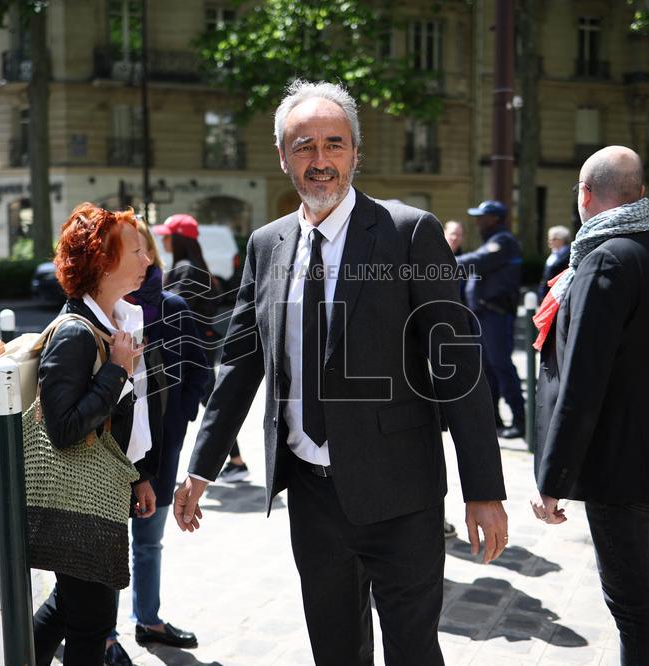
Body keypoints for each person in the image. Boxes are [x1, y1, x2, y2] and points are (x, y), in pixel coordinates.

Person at [173, 80, 508, 666]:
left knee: (412, 652)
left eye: (335, 144)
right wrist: (202, 466)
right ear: (283, 157)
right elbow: (240, 359)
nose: (321, 161)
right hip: (311, 496)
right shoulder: (266, 244)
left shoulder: (409, 233)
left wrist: (484, 490)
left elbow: (459, 367)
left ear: (356, 152)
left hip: (401, 495)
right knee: (335, 651)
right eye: (305, 147)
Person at [530, 146, 649, 665]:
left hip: (616, 458)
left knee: (631, 595)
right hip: (648, 449)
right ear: (640, 195)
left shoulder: (605, 259)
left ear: (584, 194)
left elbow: (583, 380)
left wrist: (553, 478)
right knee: (639, 588)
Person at [32, 202, 164, 666]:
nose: (147, 259)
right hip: (76, 502)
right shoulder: (76, 333)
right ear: (103, 260)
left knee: (68, 608)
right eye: (136, 250)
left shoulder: (117, 322)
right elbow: (64, 429)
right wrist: (116, 371)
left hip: (99, 495)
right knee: (90, 622)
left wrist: (139, 475)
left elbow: (128, 419)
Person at [103, 221, 210, 665]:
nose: (143, 259)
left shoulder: (174, 307)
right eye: (134, 250)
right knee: (102, 546)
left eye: (145, 249)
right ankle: (102, 635)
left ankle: (148, 620)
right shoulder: (102, 309)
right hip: (106, 453)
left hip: (160, 451)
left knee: (148, 542)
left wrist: (178, 421)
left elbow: (199, 373)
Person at [153, 214, 248, 483]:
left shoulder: (187, 269)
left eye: (167, 235)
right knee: (212, 407)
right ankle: (236, 461)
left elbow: (173, 309)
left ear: (179, 238)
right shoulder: (196, 267)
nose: (163, 240)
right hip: (197, 349)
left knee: (208, 408)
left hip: (191, 353)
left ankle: (234, 462)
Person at [456, 200, 526, 438]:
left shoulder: (502, 241)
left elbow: (476, 261)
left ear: (495, 218)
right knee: (487, 370)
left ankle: (519, 420)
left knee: (501, 367)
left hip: (495, 315)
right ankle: (493, 419)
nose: (477, 222)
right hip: (483, 316)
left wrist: (444, 263)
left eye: (481, 217)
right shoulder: (492, 241)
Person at [538, 225, 571, 300]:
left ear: (561, 239)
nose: (549, 241)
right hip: (547, 294)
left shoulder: (568, 254)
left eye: (553, 239)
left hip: (559, 295)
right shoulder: (554, 254)